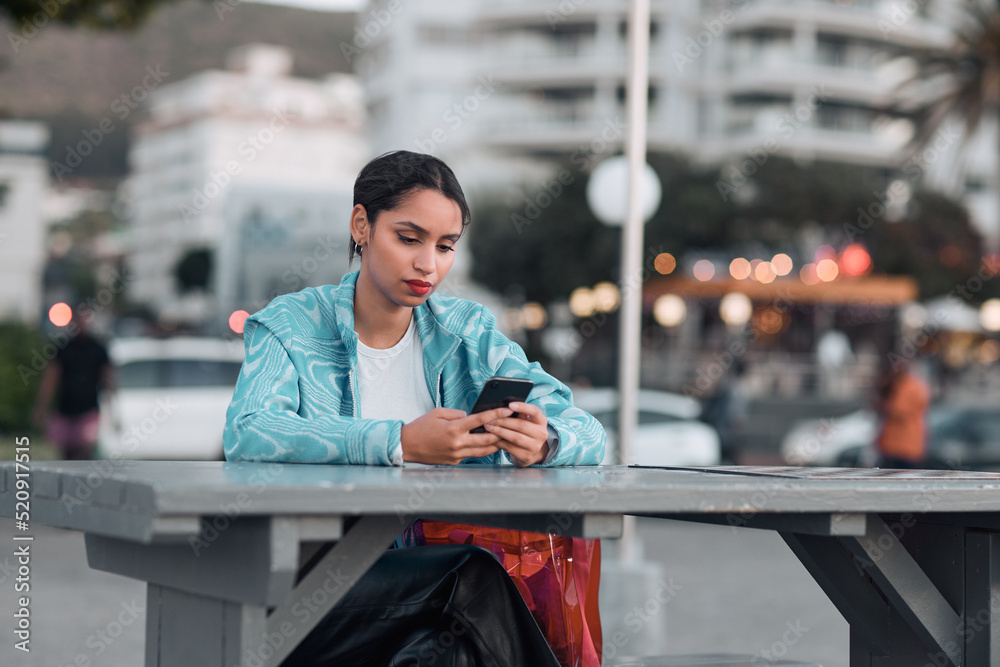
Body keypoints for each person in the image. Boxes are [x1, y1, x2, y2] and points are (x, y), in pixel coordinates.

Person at [224, 150, 607, 666]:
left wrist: (546, 441)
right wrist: (399, 442)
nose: (428, 263)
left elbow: (587, 430)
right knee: (464, 578)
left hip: (426, 601)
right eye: (409, 239)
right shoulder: (291, 324)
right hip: (312, 587)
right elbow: (250, 432)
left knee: (444, 655)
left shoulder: (466, 330)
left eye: (445, 245)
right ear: (361, 224)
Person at [32, 311, 115, 460]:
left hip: (88, 408)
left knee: (84, 451)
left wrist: (111, 404)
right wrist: (42, 406)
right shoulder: (64, 348)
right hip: (65, 407)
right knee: (67, 454)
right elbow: (51, 378)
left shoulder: (98, 349)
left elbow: (107, 377)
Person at [873, 358, 930, 469]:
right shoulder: (918, 384)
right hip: (908, 444)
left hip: (900, 445)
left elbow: (899, 410)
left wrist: (883, 404)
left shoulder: (906, 385)